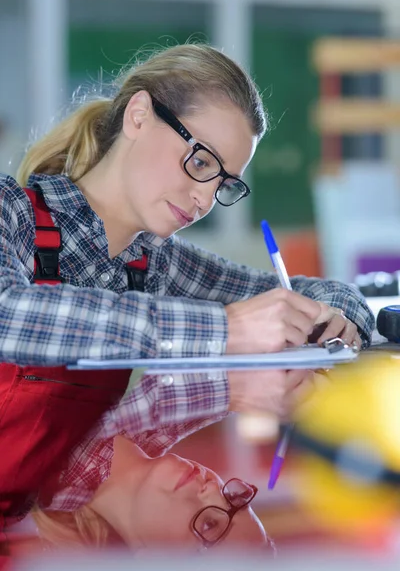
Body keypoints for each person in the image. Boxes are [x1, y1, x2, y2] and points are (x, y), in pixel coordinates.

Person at [0, 42, 374, 527]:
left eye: (223, 186)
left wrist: (337, 319)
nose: (203, 199)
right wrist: (226, 330)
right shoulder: (12, 211)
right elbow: (9, 314)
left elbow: (316, 293)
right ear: (139, 115)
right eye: (200, 163)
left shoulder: (153, 265)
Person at [32, 435, 274, 553]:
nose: (212, 488)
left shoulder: (30, 468)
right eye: (232, 499)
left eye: (209, 524)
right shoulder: (159, 423)